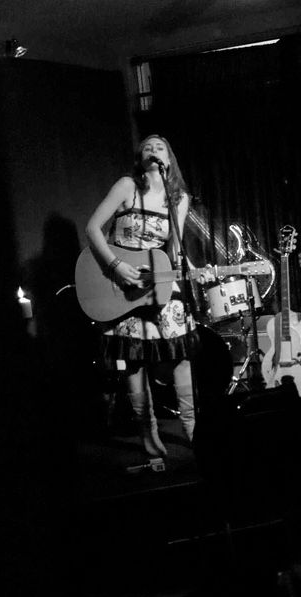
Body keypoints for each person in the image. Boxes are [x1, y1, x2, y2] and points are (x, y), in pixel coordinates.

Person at [84, 134, 201, 461]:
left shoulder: (179, 198)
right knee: (134, 359)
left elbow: (175, 250)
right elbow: (92, 228)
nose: (152, 149)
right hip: (121, 281)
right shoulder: (127, 186)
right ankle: (147, 430)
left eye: (159, 146)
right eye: (147, 146)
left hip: (158, 279)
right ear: (140, 157)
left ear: (169, 159)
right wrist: (116, 265)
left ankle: (192, 426)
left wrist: (194, 271)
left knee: (181, 353)